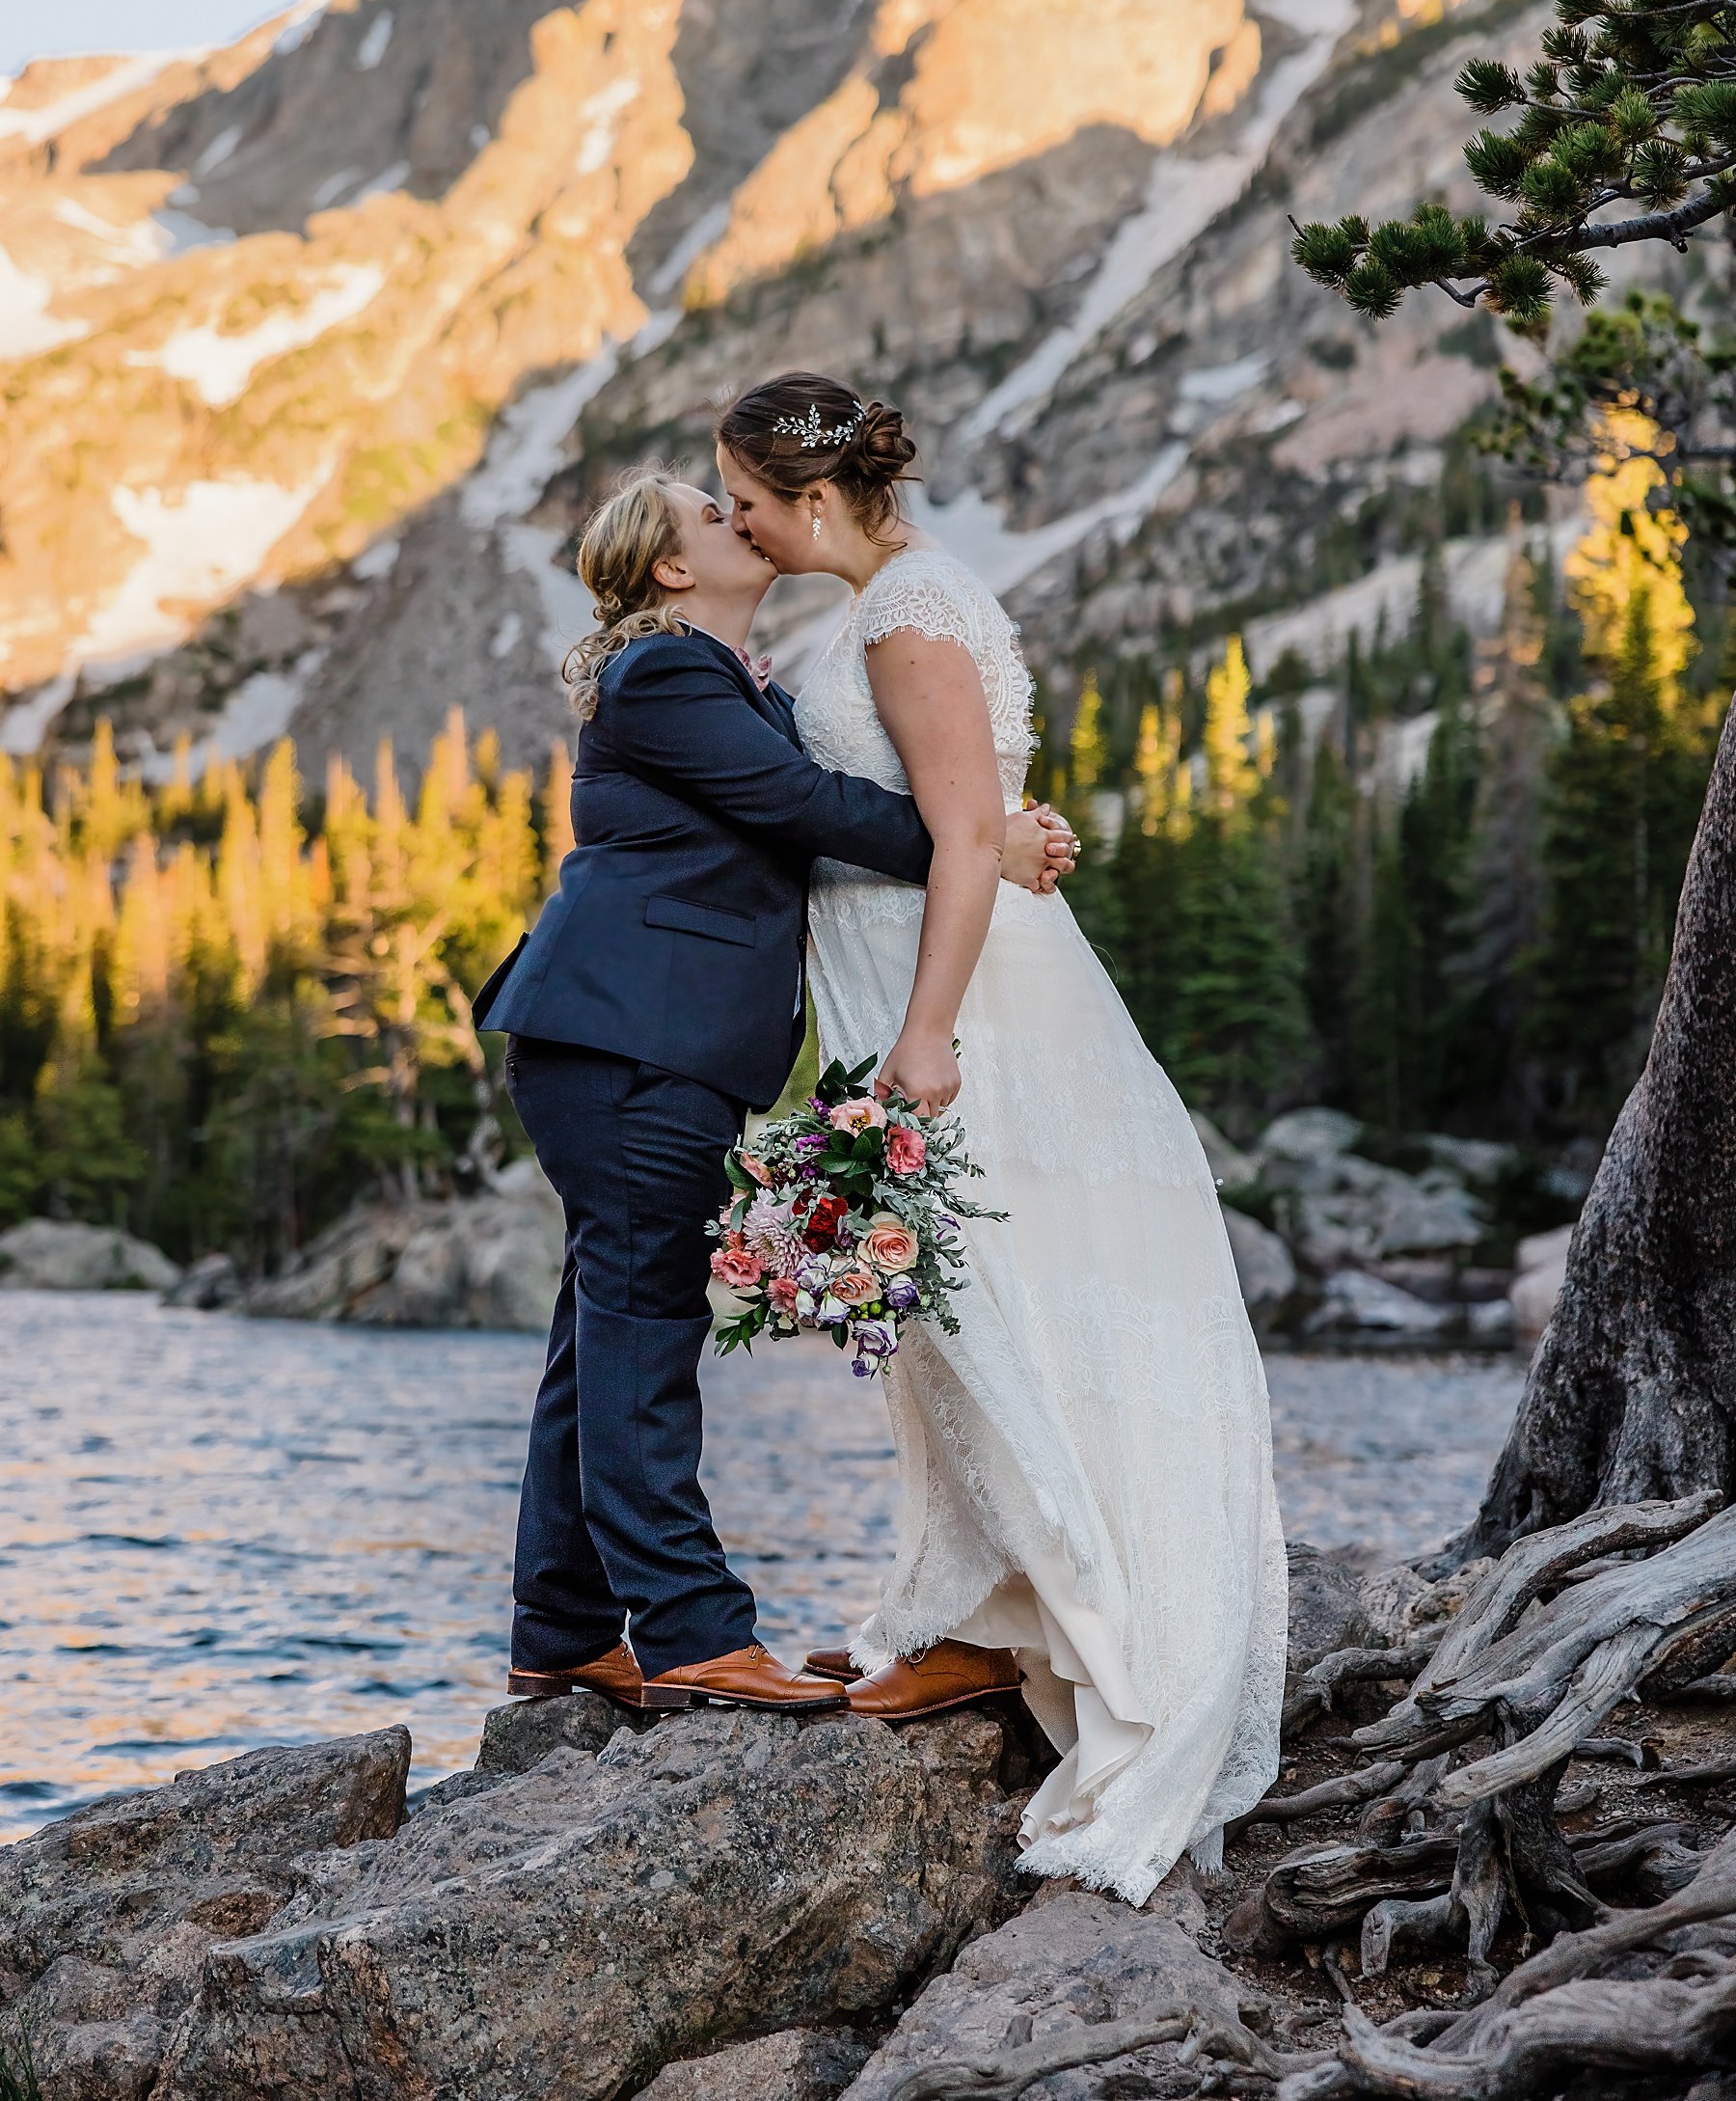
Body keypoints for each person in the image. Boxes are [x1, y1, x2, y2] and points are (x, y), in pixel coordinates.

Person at [715, 375, 1287, 1900]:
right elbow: (974, 816)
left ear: (812, 499)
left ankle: (1044, 1619)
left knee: (987, 1307)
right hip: (945, 978)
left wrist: (924, 1033)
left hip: (961, 1006)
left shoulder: (905, 614)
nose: (738, 526)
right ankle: (975, 1600)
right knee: (959, 1316)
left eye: (747, 500)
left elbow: (968, 830)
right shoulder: (910, 590)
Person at [472, 469, 1074, 1717]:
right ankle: (692, 1628)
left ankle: (566, 1629)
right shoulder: (670, 673)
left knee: (603, 1330)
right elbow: (799, 804)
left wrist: (980, 822)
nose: (738, 519)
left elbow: (797, 795)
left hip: (629, 1037)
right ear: (673, 568)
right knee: (643, 1327)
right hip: (630, 1037)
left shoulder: (726, 682)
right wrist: (980, 842)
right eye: (711, 513)